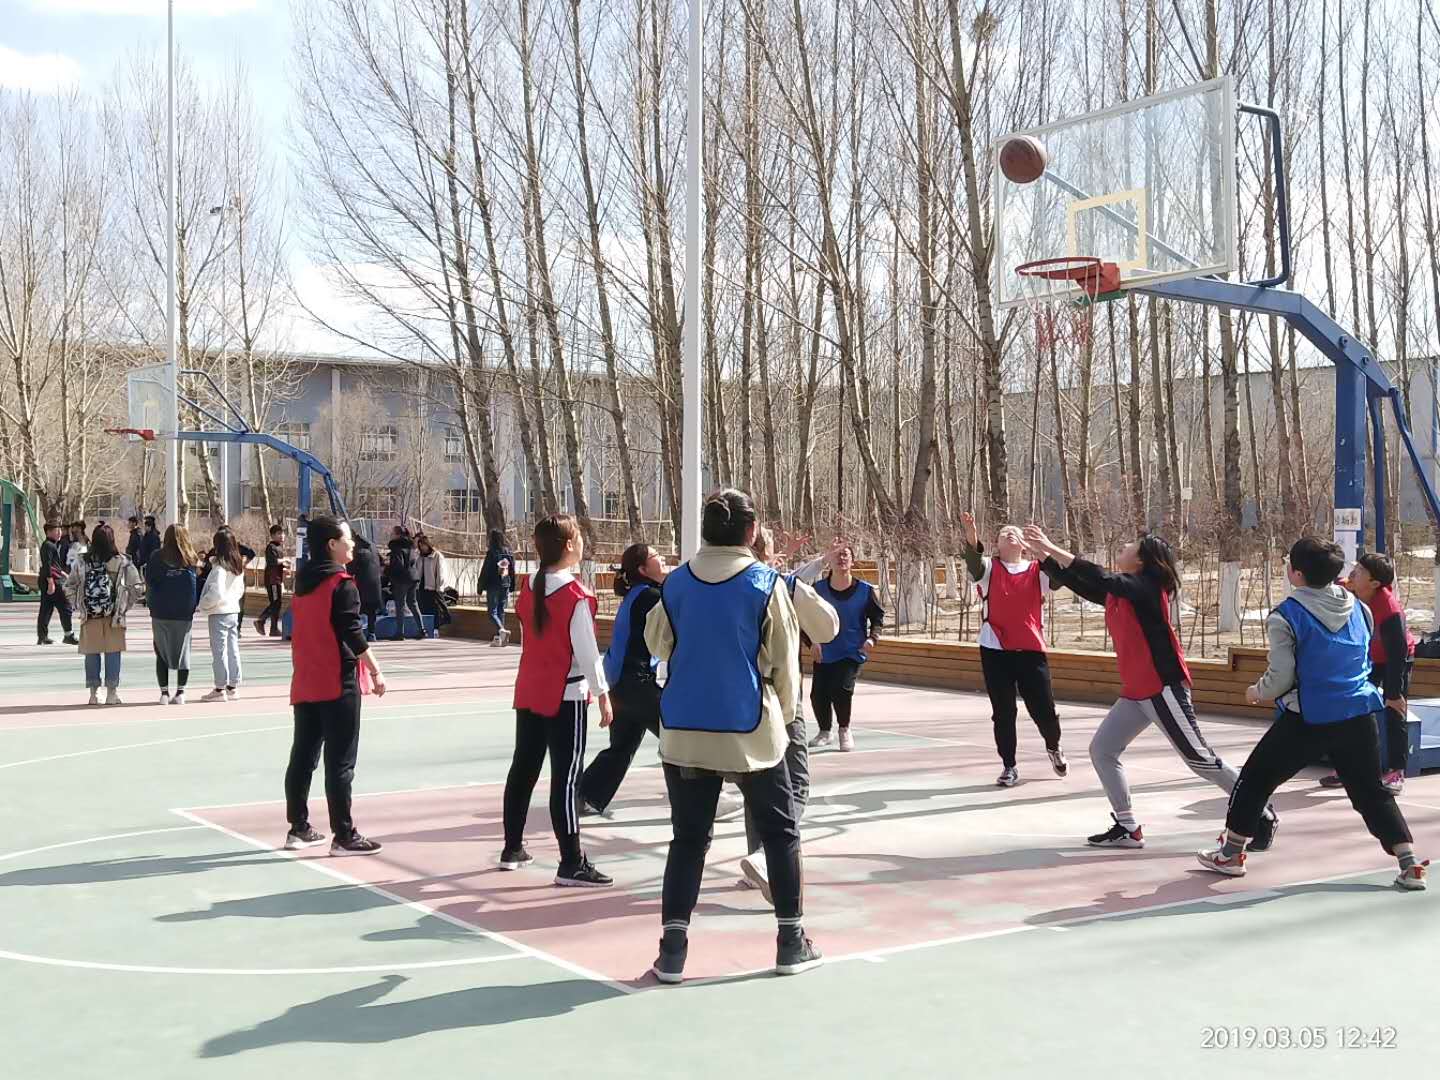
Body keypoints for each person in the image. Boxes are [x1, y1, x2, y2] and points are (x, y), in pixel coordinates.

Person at [644, 488, 820, 984]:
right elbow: (785, 663)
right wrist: (787, 717)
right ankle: (791, 941)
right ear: (752, 530)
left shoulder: (677, 583)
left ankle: (672, 951)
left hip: (684, 730)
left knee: (688, 840)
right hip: (751, 731)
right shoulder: (765, 583)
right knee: (780, 833)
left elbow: (655, 640)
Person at [1024, 525, 1279, 851]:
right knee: (1102, 750)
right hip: (1136, 691)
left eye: (1132, 545)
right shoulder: (1122, 592)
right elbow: (1081, 582)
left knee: (1200, 759)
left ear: (1142, 561)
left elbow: (1100, 576)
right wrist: (1043, 556)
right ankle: (1128, 827)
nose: (1124, 545)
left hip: (1162, 687)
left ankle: (1261, 810)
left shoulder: (1146, 588)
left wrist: (1051, 546)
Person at [1197, 537, 1427, 891]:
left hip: (1309, 717)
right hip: (1359, 712)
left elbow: (1280, 677)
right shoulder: (1360, 608)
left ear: (1296, 573)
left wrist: (1257, 692)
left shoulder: (1286, 615)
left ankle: (1230, 854)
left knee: (1254, 780)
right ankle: (1408, 862)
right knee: (1370, 792)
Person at [501, 513, 614, 887]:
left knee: (523, 769)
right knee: (566, 779)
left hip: (530, 689)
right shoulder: (575, 596)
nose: (581, 542)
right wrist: (602, 694)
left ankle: (512, 847)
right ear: (568, 545)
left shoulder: (530, 586)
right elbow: (588, 653)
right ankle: (571, 862)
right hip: (566, 695)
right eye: (578, 536)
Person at [737, 526, 839, 904]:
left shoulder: (714, 583)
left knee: (756, 784)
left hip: (738, 700)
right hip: (779, 698)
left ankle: (757, 858)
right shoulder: (778, 585)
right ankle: (767, 855)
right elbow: (827, 627)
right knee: (796, 783)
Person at [284, 516, 387, 855]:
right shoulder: (341, 585)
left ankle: (298, 827)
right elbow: (352, 632)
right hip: (336, 682)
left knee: (303, 757)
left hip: (306, 679)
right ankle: (343, 834)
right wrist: (376, 670)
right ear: (331, 544)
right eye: (347, 539)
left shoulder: (303, 582)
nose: (352, 544)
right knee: (340, 762)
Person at [960, 511, 1067, 786]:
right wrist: (971, 535)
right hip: (995, 649)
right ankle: (1009, 765)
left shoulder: (1037, 570)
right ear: (996, 544)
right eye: (1003, 533)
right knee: (1003, 712)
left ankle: (1053, 746)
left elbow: (1059, 576)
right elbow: (973, 561)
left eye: (1014, 532)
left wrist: (1042, 549)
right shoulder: (988, 569)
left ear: (1023, 544)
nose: (1009, 533)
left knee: (1043, 708)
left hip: (1030, 649)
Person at [578, 544, 667, 817]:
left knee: (621, 747)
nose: (663, 558)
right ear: (643, 569)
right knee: (680, 738)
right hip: (635, 683)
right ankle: (704, 800)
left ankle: (585, 795)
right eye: (657, 556)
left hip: (618, 684)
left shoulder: (638, 594)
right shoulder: (651, 596)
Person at [1318, 552, 1415, 795]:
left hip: (1395, 659)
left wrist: (1393, 693)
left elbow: (1398, 653)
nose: (1353, 572)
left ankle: (1396, 771)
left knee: (1394, 711)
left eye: (1361, 571)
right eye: (1356, 567)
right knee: (1351, 709)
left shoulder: (1389, 610)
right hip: (1368, 657)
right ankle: (1347, 767)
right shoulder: (1348, 589)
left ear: (1374, 583)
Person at [807, 543, 883, 752]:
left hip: (852, 650)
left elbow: (877, 618)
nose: (841, 559)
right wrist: (811, 642)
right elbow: (805, 618)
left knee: (842, 689)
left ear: (852, 561)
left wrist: (872, 638)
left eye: (846, 555)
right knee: (818, 694)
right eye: (837, 555)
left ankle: (844, 729)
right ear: (829, 561)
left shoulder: (865, 590)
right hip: (824, 651)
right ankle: (825, 731)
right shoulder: (817, 590)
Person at [64, 523, 142, 706]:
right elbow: (137, 588)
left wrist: (78, 604)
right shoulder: (123, 562)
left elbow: (69, 585)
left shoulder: (82, 562)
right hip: (114, 616)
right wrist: (125, 605)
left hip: (90, 615)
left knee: (91, 653)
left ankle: (94, 693)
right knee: (113, 653)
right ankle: (112, 693)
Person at [146, 525, 200, 705]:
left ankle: (164, 693)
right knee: (184, 652)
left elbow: (150, 581)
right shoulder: (191, 557)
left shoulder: (156, 556)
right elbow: (195, 585)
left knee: (161, 651)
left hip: (160, 612)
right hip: (184, 613)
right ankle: (181, 692)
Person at [197, 526, 246, 702]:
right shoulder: (237, 567)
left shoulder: (219, 569)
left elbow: (216, 593)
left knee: (219, 651)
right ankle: (232, 686)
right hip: (233, 611)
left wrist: (203, 604)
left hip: (219, 612)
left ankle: (220, 688)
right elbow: (240, 590)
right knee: (233, 649)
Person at [37, 521, 79, 646]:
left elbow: (53, 565)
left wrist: (64, 574)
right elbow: (47, 565)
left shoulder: (49, 545)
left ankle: (42, 636)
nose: (59, 533)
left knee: (46, 609)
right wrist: (51, 581)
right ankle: (68, 635)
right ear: (48, 532)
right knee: (65, 606)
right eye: (56, 530)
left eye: (60, 530)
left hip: (48, 579)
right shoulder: (49, 546)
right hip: (52, 581)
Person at [385, 526, 424, 641]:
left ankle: (400, 633)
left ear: (397, 535)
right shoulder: (410, 547)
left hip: (402, 579)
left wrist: (387, 569)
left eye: (392, 533)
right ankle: (422, 629)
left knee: (400, 605)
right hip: (413, 577)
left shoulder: (396, 547)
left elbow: (398, 565)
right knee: (413, 603)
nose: (391, 535)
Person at [480, 529, 517, 646]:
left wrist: (480, 585)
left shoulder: (491, 553)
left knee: (492, 612)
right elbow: (512, 570)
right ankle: (500, 639)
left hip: (493, 585)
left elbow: (485, 570)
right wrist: (512, 585)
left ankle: (501, 631)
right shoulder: (509, 552)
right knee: (501, 611)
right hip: (505, 584)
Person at [347, 534, 384, 642]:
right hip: (375, 583)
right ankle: (372, 633)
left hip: (362, 584)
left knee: (357, 609)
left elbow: (351, 569)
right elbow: (381, 561)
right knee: (371, 611)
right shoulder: (373, 547)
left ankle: (357, 634)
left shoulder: (358, 552)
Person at [256, 524, 288, 637]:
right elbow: (273, 562)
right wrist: (284, 560)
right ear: (272, 535)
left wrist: (285, 569)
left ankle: (273, 629)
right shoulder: (271, 547)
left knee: (277, 604)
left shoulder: (279, 547)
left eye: (283, 533)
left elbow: (279, 564)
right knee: (275, 603)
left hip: (278, 579)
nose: (282, 536)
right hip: (272, 580)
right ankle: (261, 619)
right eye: (279, 534)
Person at [415, 533, 450, 631]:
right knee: (423, 610)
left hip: (432, 588)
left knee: (434, 611)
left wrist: (439, 587)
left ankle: (435, 629)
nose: (421, 548)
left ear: (428, 545)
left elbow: (441, 573)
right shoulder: (419, 557)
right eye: (420, 545)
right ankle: (424, 629)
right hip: (421, 588)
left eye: (423, 545)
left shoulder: (437, 556)